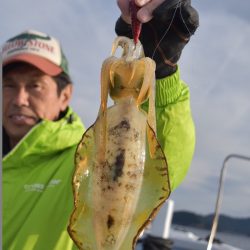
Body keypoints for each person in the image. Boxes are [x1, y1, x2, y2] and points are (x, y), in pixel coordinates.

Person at [2, 0, 199, 249]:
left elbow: (163, 161)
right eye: (9, 86)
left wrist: (162, 73)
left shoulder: (83, 160)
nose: (19, 99)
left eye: (35, 86)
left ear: (65, 95)